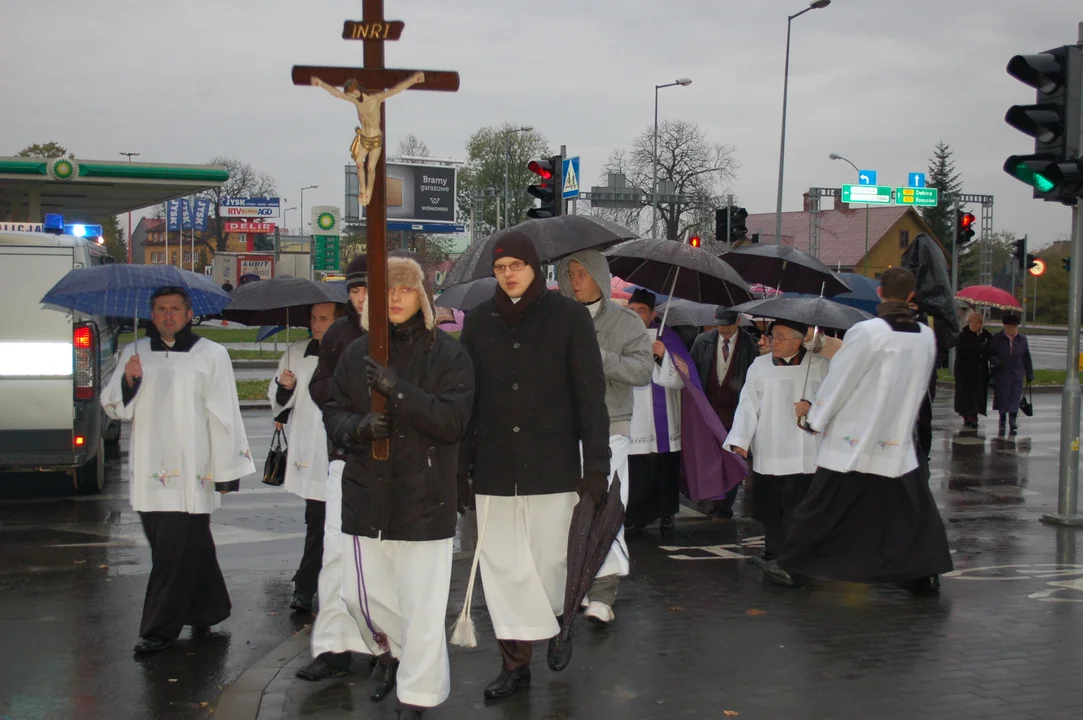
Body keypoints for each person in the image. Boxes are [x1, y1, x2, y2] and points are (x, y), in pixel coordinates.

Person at [323, 251, 475, 719]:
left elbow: (452, 421)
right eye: (387, 289)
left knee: (423, 608)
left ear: (423, 297)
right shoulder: (357, 352)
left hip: (424, 497)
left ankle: (418, 695)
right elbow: (333, 411)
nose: (395, 298)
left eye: (406, 288)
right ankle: (394, 651)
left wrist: (398, 390)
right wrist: (357, 428)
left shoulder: (448, 354)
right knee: (359, 597)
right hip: (367, 494)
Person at [459, 232, 610, 700]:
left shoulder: (568, 317)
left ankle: (560, 624)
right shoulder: (479, 321)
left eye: (515, 266)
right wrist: (461, 468)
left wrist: (596, 464)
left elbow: (590, 395)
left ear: (535, 267)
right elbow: (469, 399)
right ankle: (515, 663)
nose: (507, 274)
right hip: (495, 468)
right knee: (502, 569)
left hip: (553, 463)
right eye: (500, 267)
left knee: (551, 561)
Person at [776, 268, 953, 593]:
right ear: (911, 296)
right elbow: (922, 383)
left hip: (853, 439)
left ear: (881, 294)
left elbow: (841, 380)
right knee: (909, 511)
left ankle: (793, 565)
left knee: (822, 507)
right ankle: (924, 571)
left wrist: (816, 418)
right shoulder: (925, 335)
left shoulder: (868, 332)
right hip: (895, 437)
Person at [101, 287, 255, 654]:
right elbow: (114, 408)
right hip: (151, 467)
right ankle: (208, 607)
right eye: (160, 309)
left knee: (172, 553)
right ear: (151, 314)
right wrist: (129, 381)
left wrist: (226, 468)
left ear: (189, 314)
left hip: (194, 469)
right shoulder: (134, 353)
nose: (167, 315)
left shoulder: (211, 354)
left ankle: (159, 629)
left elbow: (225, 414)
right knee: (185, 547)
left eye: (175, 309)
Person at [557, 251, 653, 624]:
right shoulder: (558, 320)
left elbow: (643, 371)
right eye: (571, 274)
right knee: (567, 510)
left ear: (600, 276)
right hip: (565, 430)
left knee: (605, 507)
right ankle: (574, 584)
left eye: (583, 273)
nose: (576, 280)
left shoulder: (626, 321)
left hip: (612, 427)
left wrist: (597, 357)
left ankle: (603, 591)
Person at [297, 254, 370, 682]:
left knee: (383, 561)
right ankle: (333, 647)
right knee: (335, 555)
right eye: (354, 291)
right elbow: (321, 385)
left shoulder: (403, 326)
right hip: (345, 458)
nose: (360, 298)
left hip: (393, 466)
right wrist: (350, 404)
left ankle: (390, 650)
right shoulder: (339, 334)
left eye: (367, 290)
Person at [725, 320, 830, 578]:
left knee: (799, 505)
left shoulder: (821, 366)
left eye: (781, 337)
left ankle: (799, 554)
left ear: (798, 341)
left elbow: (833, 401)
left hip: (804, 449)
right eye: (773, 337)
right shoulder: (760, 366)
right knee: (771, 504)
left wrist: (812, 407)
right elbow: (748, 403)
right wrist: (741, 438)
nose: (774, 342)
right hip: (770, 445)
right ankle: (772, 550)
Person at [268, 302, 342, 613]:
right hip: (311, 449)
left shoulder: (349, 349)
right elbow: (277, 402)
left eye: (324, 318)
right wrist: (286, 388)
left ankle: (323, 584)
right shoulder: (297, 352)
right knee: (317, 520)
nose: (316, 323)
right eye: (313, 317)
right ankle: (306, 585)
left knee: (334, 524)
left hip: (341, 446)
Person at [623, 289, 687, 536]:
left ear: (653, 314)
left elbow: (682, 378)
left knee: (664, 466)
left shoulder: (668, 338)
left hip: (664, 417)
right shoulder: (621, 337)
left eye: (641, 311)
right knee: (636, 468)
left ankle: (666, 514)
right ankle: (634, 517)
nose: (636, 316)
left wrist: (664, 356)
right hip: (634, 413)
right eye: (632, 310)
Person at [690, 308, 758, 518]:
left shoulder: (751, 344)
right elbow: (692, 373)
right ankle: (713, 497)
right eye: (720, 324)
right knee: (709, 457)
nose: (725, 328)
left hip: (736, 412)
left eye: (729, 324)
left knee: (731, 457)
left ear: (738, 321)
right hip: (709, 410)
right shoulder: (702, 341)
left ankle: (723, 503)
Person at [989, 312, 1033, 435]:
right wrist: (996, 362)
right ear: (1004, 327)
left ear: (1017, 327)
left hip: (1017, 373)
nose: (1010, 329)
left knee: (1015, 396)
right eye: (1008, 327)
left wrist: (1029, 373)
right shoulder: (997, 338)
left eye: (1013, 327)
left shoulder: (1022, 339)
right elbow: (990, 353)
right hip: (1001, 373)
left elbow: (1026, 357)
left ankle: (1012, 420)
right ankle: (1002, 416)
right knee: (1002, 396)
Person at [954, 311, 992, 429]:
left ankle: (973, 416)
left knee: (977, 395)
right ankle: (966, 415)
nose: (974, 324)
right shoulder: (962, 335)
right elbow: (962, 352)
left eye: (977, 322)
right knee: (965, 394)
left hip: (980, 371)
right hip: (965, 371)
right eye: (972, 322)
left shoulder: (986, 336)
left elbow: (990, 351)